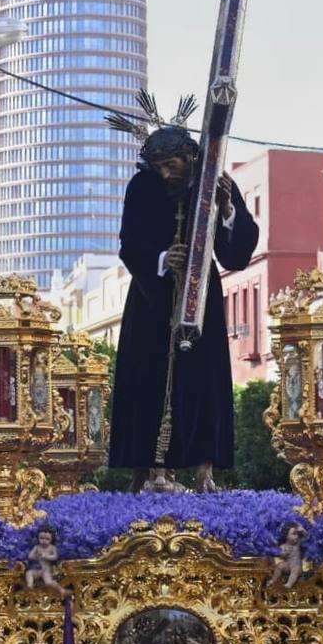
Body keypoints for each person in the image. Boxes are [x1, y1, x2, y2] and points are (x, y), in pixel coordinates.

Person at [106, 121, 259, 493]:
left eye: (171, 164)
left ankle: (204, 471)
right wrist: (161, 259)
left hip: (200, 298)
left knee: (203, 382)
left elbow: (236, 252)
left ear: (189, 157)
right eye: (158, 165)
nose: (164, 172)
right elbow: (129, 243)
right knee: (147, 381)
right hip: (151, 301)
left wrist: (226, 212)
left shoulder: (214, 184)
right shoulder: (141, 187)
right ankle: (146, 472)